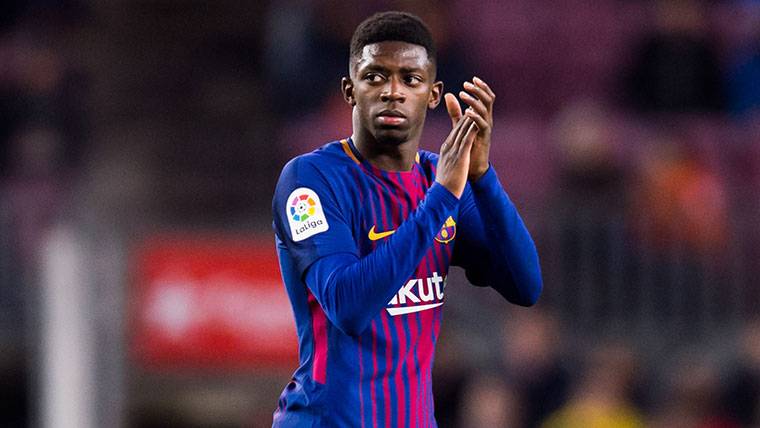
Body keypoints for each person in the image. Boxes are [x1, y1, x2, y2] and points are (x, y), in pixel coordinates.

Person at [271, 11, 542, 427]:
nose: (392, 92)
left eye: (409, 79)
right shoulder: (310, 180)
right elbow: (348, 306)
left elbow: (526, 286)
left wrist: (483, 177)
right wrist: (441, 199)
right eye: (375, 76)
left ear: (433, 95)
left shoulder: (441, 178)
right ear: (350, 90)